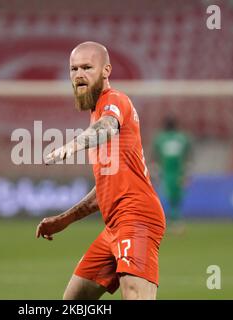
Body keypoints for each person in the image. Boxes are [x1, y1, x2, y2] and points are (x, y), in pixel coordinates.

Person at [36, 41, 166, 300]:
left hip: (137, 218)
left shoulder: (114, 101)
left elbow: (108, 126)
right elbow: (105, 190)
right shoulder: (95, 112)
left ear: (106, 70)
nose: (78, 75)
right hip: (113, 226)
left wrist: (72, 145)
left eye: (87, 67)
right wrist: (65, 219)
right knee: (73, 300)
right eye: (73, 69)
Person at [152, 115, 192, 235]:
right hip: (178, 174)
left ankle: (173, 222)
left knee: (169, 199)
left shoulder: (160, 139)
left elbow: (155, 158)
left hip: (166, 174)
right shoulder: (183, 138)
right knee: (176, 200)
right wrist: (186, 174)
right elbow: (187, 158)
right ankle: (176, 223)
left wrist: (155, 173)